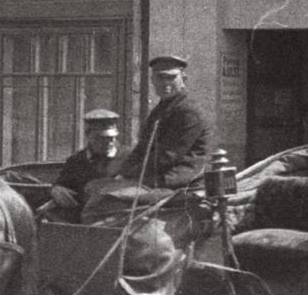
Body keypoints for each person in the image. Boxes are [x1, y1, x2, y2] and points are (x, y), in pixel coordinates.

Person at [116, 55, 212, 189]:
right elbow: (142, 147)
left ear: (184, 79)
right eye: (160, 77)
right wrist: (121, 171)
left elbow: (169, 155)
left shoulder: (189, 111)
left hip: (182, 180)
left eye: (172, 77)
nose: (165, 83)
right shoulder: (160, 109)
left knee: (114, 200)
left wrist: (131, 174)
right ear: (152, 80)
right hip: (159, 176)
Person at [48, 109, 123, 223]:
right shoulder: (76, 161)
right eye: (101, 138)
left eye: (111, 138)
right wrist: (56, 189)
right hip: (84, 222)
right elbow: (61, 184)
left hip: (121, 220)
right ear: (88, 135)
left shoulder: (129, 158)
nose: (108, 143)